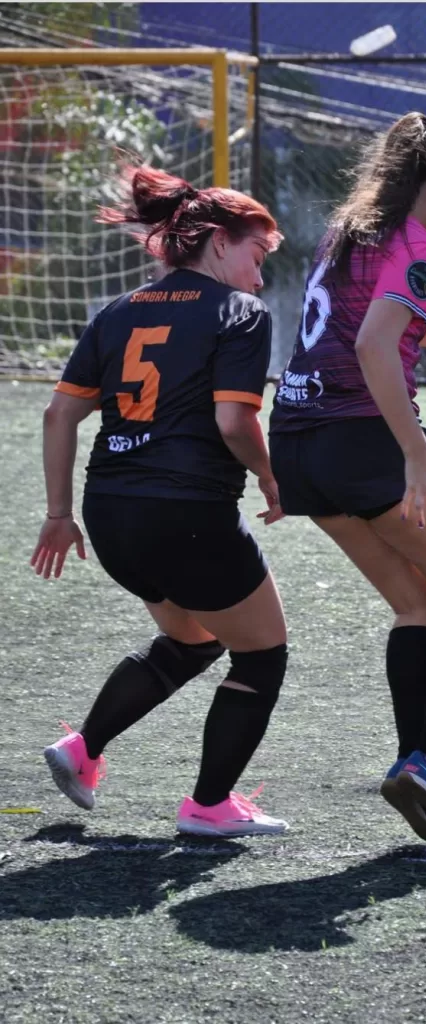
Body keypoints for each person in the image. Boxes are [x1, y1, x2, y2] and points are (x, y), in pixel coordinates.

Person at [268, 112, 426, 848]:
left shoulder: (353, 232)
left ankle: (415, 765)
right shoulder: (418, 246)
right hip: (363, 439)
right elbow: (377, 344)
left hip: (298, 442)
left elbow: (373, 319)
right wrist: (417, 456)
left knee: (417, 603)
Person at [31, 166, 294, 835]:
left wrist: (59, 515)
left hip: (110, 512)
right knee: (262, 655)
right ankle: (209, 807)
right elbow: (235, 424)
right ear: (216, 241)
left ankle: (82, 748)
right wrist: (271, 478)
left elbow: (59, 416)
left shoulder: (117, 312)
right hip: (187, 515)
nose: (260, 278)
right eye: (256, 257)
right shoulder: (240, 314)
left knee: (192, 639)